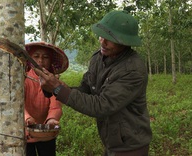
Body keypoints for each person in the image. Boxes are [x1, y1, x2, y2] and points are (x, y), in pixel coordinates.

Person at [34, 10, 152, 156]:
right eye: (102, 35)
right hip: (112, 142)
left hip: (130, 147)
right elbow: (86, 88)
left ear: (124, 42)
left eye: (110, 38)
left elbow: (101, 105)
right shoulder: (98, 58)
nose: (103, 41)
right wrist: (54, 88)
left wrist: (58, 89)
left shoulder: (132, 70)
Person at [24, 42, 69, 156]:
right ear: (30, 60)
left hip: (46, 133)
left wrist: (52, 120)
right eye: (36, 56)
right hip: (25, 132)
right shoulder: (23, 79)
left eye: (45, 57)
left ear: (51, 61)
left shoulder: (53, 81)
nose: (40, 61)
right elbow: (18, 105)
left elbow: (55, 106)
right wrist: (27, 118)